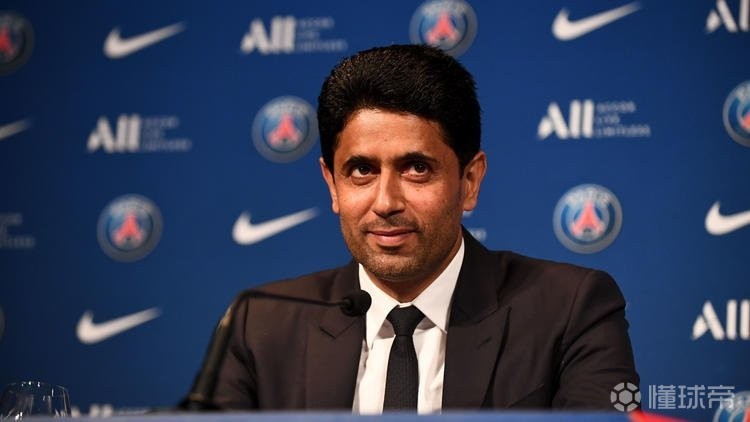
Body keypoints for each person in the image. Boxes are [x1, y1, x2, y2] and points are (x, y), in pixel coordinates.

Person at [211, 44, 638, 412]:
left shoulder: (572, 309)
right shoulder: (260, 323)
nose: (386, 203)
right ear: (332, 184)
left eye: (416, 168)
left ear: (469, 181)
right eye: (361, 170)